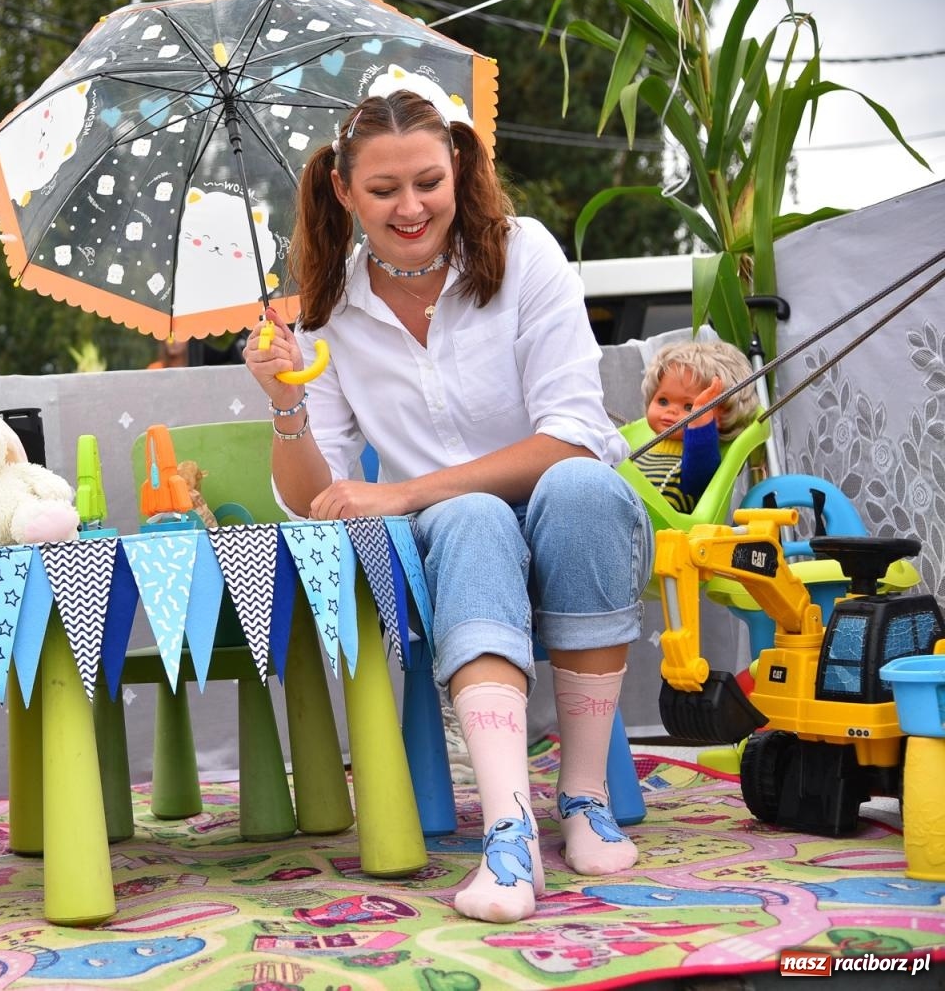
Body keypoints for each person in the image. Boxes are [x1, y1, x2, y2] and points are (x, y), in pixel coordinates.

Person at [244, 89, 651, 924]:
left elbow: (575, 436)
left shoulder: (524, 253)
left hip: (564, 513)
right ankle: (507, 827)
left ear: (459, 169)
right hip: (452, 543)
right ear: (344, 194)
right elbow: (306, 494)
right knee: (471, 518)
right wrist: (282, 398)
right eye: (385, 190)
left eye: (428, 180)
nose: (411, 206)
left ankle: (581, 800)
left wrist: (402, 489)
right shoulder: (325, 309)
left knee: (580, 488)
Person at [634, 341, 759, 513]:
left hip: (665, 533)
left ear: (721, 416)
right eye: (663, 401)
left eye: (688, 407)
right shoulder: (637, 449)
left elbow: (699, 476)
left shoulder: (696, 460)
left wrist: (699, 418)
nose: (671, 411)